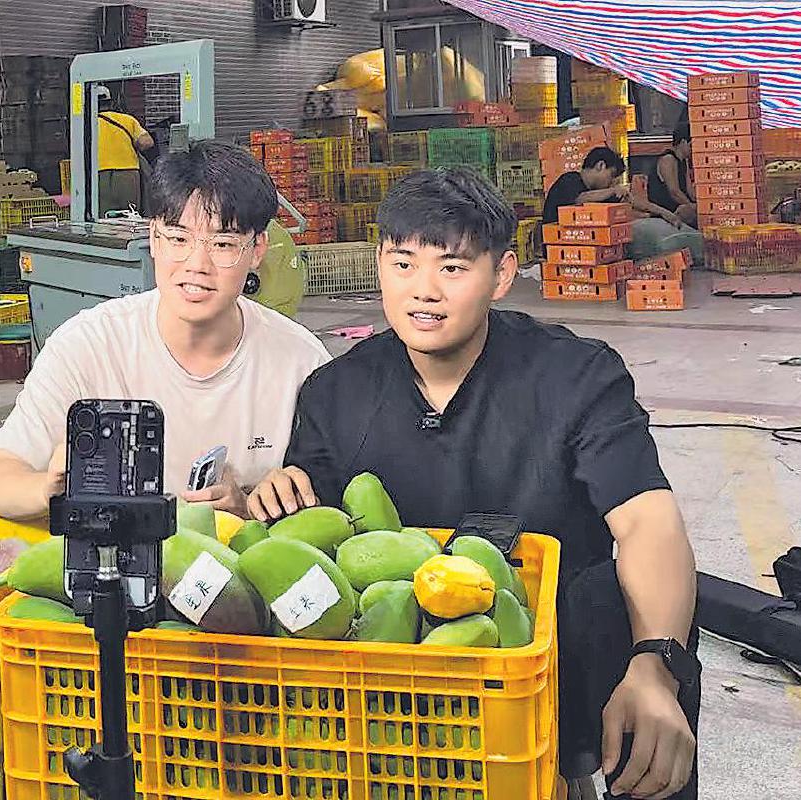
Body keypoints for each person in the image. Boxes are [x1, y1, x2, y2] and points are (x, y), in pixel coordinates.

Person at [251, 169, 700, 800]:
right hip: (398, 684)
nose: (423, 291)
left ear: (503, 274)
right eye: (403, 264)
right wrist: (277, 494)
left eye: (453, 268)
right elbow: (317, 538)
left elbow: (647, 519)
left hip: (552, 660)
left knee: (628, 613)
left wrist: (657, 665)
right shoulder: (335, 392)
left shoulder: (576, 376)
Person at [0, 140, 331, 521]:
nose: (197, 264)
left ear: (257, 250)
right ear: (154, 239)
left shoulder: (302, 362)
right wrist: (53, 487)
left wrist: (247, 509)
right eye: (178, 239)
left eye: (223, 243)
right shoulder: (86, 347)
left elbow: (332, 503)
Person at [543, 146, 682, 227]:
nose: (611, 182)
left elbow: (631, 201)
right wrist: (613, 190)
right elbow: (580, 199)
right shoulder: (569, 180)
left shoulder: (600, 193)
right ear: (600, 166)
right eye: (611, 176)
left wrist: (663, 213)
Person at [96, 87, 154, 216]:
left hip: (99, 173)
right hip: (128, 173)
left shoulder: (87, 123)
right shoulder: (127, 120)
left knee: (104, 216)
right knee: (130, 215)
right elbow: (147, 142)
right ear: (111, 103)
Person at [648, 124, 698, 228]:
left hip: (680, 209)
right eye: (691, 146)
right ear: (683, 142)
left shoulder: (684, 161)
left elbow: (689, 190)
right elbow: (674, 191)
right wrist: (690, 206)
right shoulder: (668, 159)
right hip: (666, 213)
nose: (693, 150)